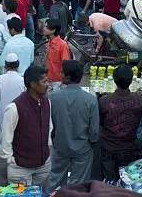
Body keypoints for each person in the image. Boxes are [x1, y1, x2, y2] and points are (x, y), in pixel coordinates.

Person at [48, 60, 99, 191]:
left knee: (55, 179)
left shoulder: (53, 97)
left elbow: (50, 124)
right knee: (79, 184)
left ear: (68, 77)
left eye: (62, 72)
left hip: (60, 145)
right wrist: (92, 142)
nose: (60, 74)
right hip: (82, 148)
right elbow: (94, 131)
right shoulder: (90, 99)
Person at [0, 65, 52, 187]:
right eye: (44, 81)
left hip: (43, 166)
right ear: (33, 84)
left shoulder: (46, 102)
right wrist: (11, 161)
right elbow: (6, 137)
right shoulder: (14, 107)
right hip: (20, 168)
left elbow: (49, 127)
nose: (47, 84)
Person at [98, 64, 142, 181]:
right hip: (129, 148)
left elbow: (100, 123)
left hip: (108, 148)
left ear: (114, 80)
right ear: (131, 80)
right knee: (126, 182)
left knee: (108, 182)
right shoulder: (141, 101)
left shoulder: (104, 101)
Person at [0, 53, 25, 144]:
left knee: (4, 134)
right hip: (19, 111)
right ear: (18, 65)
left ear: (5, 66)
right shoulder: (22, 80)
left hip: (4, 111)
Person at [44, 18, 70, 91]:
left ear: (53, 30)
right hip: (48, 79)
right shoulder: (48, 42)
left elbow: (65, 64)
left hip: (58, 82)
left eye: (46, 27)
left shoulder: (62, 45)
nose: (44, 28)